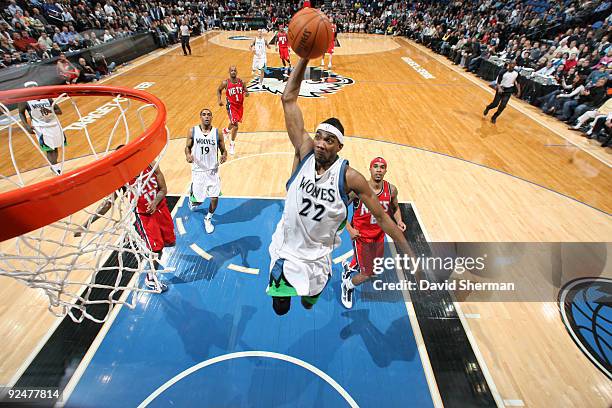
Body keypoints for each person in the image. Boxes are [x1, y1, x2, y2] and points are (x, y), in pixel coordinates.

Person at [267, 57, 411, 316]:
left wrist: (408, 251)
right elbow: (288, 98)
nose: (320, 143)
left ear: (339, 146)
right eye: (319, 137)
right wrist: (305, 56)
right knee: (280, 307)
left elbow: (382, 217)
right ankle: (291, 288)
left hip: (318, 257)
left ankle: (315, 289)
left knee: (308, 302)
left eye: (329, 140)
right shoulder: (304, 152)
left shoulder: (350, 177)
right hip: (286, 249)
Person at [75, 147, 175, 293]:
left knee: (167, 244)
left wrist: (155, 202)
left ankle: (150, 258)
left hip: (161, 210)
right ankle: (150, 278)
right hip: (144, 217)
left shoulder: (151, 164)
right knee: (156, 249)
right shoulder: (121, 179)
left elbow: (163, 189)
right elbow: (107, 204)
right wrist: (86, 224)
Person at [341, 157, 406, 308]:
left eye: (382, 167)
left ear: (385, 171)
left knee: (375, 267)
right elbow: (339, 208)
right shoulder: (358, 190)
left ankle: (349, 266)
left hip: (379, 235)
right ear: (370, 169)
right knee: (367, 274)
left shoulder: (391, 190)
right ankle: (347, 285)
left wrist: (399, 221)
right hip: (361, 237)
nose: (378, 169)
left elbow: (395, 208)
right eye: (375, 166)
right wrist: (349, 229)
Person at [185, 108, 227, 233]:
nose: (207, 116)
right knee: (198, 201)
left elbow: (223, 150)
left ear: (212, 117)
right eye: (204, 114)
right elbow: (187, 147)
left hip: (212, 171)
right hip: (198, 171)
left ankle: (208, 218)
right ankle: (193, 198)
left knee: (214, 198)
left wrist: (224, 155)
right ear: (200, 117)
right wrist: (188, 155)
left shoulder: (217, 133)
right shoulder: (193, 131)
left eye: (209, 114)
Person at [18, 81, 65, 175]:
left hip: (53, 124)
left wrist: (47, 111)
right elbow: (21, 112)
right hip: (40, 127)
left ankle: (54, 166)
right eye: (29, 88)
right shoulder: (24, 100)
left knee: (55, 147)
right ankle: (56, 167)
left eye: (33, 87)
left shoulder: (47, 98)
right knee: (49, 148)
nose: (32, 89)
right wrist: (26, 126)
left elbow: (59, 110)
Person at [217, 65, 249, 155]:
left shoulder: (241, 82)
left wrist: (246, 93)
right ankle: (232, 144)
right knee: (235, 126)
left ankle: (226, 130)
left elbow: (246, 91)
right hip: (231, 106)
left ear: (237, 72)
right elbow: (218, 90)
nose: (233, 72)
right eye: (231, 70)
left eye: (235, 70)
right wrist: (219, 100)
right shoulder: (225, 83)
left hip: (239, 106)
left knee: (233, 123)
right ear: (229, 72)